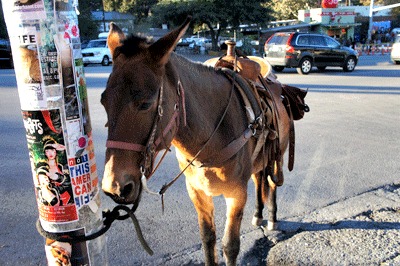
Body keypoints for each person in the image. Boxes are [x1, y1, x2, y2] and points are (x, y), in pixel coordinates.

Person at [36, 136, 73, 206]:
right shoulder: (43, 166)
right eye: (47, 151)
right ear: (45, 153)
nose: (50, 153)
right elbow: (41, 172)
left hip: (67, 200)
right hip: (54, 199)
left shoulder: (61, 167)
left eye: (52, 150)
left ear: (56, 151)